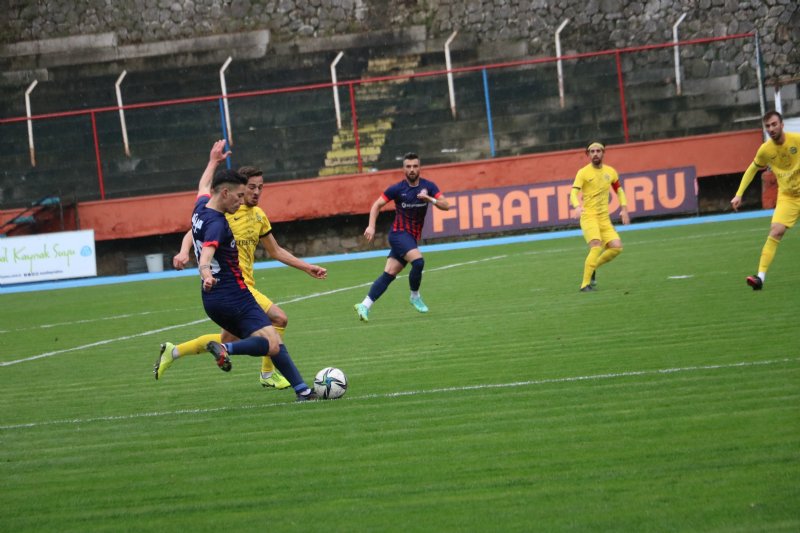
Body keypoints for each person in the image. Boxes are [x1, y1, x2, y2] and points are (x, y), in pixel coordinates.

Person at [155, 140, 318, 401]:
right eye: (241, 194)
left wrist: (212, 161)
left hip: (214, 298)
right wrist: (205, 272)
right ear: (225, 194)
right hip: (235, 294)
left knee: (268, 338)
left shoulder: (200, 209)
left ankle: (302, 391)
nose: (243, 200)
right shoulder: (219, 223)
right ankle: (233, 353)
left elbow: (202, 186)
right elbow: (207, 253)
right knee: (271, 339)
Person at [354, 152, 449, 321]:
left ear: (420, 168)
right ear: (403, 169)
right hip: (398, 235)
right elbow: (377, 205)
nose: (412, 169)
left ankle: (364, 305)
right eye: (408, 167)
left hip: (411, 238)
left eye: (415, 166)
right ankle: (415, 296)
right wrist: (371, 225)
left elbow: (446, 205)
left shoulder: (429, 186)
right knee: (418, 262)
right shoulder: (397, 189)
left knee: (389, 274)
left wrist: (429, 199)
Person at [731, 110, 800, 290]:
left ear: (782, 125)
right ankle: (760, 278)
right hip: (788, 197)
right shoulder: (765, 150)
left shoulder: (797, 140)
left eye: (774, 124)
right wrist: (739, 193)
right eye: (767, 126)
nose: (771, 128)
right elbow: (752, 169)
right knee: (775, 231)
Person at [570, 141, 630, 291]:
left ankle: (593, 267)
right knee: (596, 246)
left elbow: (619, 190)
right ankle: (585, 285)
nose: (595, 154)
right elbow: (573, 192)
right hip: (589, 216)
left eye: (598, 151)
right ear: (588, 155)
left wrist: (624, 209)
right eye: (592, 151)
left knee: (617, 248)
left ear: (603, 153)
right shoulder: (583, 172)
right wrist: (577, 207)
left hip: (604, 218)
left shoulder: (610, 172)